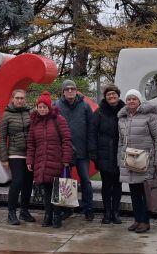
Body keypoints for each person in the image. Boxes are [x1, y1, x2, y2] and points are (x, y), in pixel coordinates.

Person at [117, 89, 157, 234]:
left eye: (134, 99)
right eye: (129, 99)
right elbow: (121, 141)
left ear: (139, 101)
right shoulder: (123, 118)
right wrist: (120, 159)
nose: (131, 101)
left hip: (145, 160)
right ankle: (137, 219)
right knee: (134, 192)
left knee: (144, 192)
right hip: (130, 160)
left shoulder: (151, 116)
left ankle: (145, 221)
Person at [26, 91, 72, 228]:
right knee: (46, 190)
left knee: (57, 189)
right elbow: (31, 143)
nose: (41, 109)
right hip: (41, 160)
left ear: (49, 107)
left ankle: (57, 215)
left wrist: (66, 159)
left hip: (56, 159)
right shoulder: (34, 122)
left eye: (44, 107)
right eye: (39, 107)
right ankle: (48, 215)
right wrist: (30, 160)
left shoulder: (59, 120)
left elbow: (66, 140)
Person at [55, 79, 95, 220]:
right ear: (63, 91)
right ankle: (66, 208)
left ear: (76, 90)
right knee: (64, 181)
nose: (70, 91)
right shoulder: (56, 105)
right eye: (67, 89)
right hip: (64, 151)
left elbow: (91, 128)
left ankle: (88, 208)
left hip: (82, 151)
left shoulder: (85, 106)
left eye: (72, 88)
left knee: (85, 180)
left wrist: (91, 147)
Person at [89, 84, 125, 224]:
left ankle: (116, 212)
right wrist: (93, 152)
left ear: (118, 95)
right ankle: (107, 212)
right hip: (103, 152)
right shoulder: (99, 112)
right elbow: (92, 133)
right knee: (106, 184)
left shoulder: (124, 111)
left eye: (114, 94)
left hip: (119, 151)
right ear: (105, 97)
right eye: (109, 94)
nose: (111, 96)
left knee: (117, 184)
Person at [0, 88, 35, 225]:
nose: (20, 100)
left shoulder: (30, 113)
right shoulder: (6, 115)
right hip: (15, 153)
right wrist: (4, 157)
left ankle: (24, 211)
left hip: (30, 153)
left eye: (22, 98)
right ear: (12, 99)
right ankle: (11, 212)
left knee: (28, 183)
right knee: (18, 181)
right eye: (17, 98)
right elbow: (2, 138)